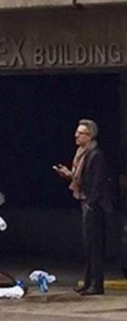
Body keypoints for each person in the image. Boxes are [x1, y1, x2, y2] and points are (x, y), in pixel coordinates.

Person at [54, 119, 112, 295]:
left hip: (94, 205)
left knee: (94, 245)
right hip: (85, 201)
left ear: (90, 136)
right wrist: (68, 175)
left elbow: (98, 183)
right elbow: (81, 179)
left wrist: (91, 203)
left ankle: (97, 283)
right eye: (77, 132)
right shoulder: (81, 154)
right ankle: (88, 282)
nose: (76, 136)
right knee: (88, 245)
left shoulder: (95, 155)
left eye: (81, 133)